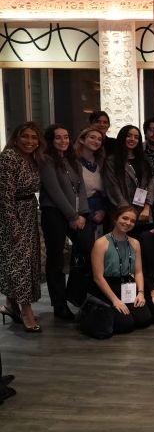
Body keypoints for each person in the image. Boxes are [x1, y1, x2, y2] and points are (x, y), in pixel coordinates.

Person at [40, 124, 93, 321]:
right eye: (58, 138)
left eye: (66, 137)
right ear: (50, 141)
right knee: (56, 259)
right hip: (53, 213)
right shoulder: (46, 160)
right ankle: (59, 304)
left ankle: (74, 293)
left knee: (88, 248)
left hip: (77, 214)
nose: (63, 141)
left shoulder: (73, 160)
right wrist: (72, 216)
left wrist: (82, 214)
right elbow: (54, 191)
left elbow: (81, 190)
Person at [0, 122, 45, 332]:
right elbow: (5, 198)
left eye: (34, 137)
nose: (30, 141)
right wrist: (14, 228)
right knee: (21, 263)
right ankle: (26, 311)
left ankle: (11, 305)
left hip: (29, 213)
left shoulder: (33, 159)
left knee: (23, 262)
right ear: (16, 138)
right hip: (12, 216)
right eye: (25, 136)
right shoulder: (9, 158)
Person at [88, 205, 152, 335]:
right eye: (125, 218)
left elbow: (138, 271)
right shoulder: (101, 243)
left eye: (132, 221)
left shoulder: (135, 243)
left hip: (128, 286)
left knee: (144, 319)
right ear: (116, 219)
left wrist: (140, 292)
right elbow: (98, 277)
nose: (128, 223)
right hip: (108, 287)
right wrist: (115, 300)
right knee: (125, 324)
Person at [103, 125, 154, 230]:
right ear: (122, 137)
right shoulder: (111, 161)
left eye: (136, 137)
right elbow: (113, 188)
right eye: (129, 136)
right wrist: (128, 211)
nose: (132, 139)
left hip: (142, 213)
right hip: (122, 214)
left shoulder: (143, 160)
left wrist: (147, 206)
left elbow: (151, 183)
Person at [75, 125, 109, 237]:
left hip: (102, 209)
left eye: (99, 139)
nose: (96, 141)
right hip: (83, 211)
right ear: (82, 140)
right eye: (92, 137)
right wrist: (90, 213)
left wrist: (103, 210)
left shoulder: (102, 162)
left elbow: (107, 190)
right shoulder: (74, 163)